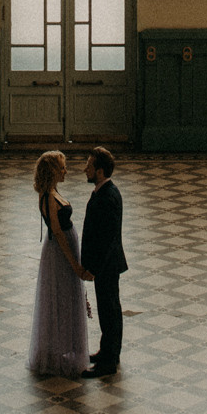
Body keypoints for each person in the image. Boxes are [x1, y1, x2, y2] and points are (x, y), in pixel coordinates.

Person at [27, 149, 92, 378]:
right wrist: (74, 264)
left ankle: (68, 347)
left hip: (65, 247)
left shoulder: (54, 191)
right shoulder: (48, 197)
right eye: (62, 167)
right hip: (59, 254)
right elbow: (57, 231)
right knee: (60, 298)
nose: (66, 171)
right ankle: (59, 351)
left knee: (68, 297)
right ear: (53, 171)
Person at [80, 147, 127, 377]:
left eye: (88, 166)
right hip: (106, 265)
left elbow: (106, 240)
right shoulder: (104, 191)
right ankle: (107, 351)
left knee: (110, 312)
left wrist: (94, 269)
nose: (84, 169)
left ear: (99, 171)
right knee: (109, 311)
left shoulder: (107, 197)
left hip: (106, 265)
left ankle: (108, 361)